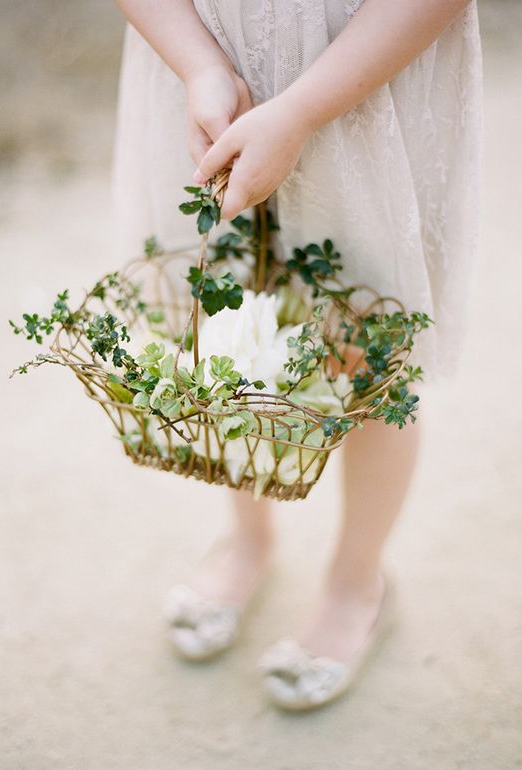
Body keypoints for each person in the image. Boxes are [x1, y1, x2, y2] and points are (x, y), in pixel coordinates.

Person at [112, 0, 482, 710]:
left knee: (366, 352)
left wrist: (302, 112)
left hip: (362, 75)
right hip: (200, 63)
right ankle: (249, 542)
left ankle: (356, 584)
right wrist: (199, 63)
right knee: (232, 327)